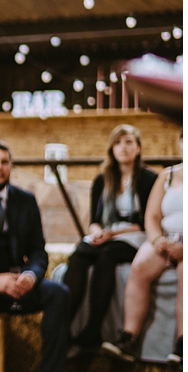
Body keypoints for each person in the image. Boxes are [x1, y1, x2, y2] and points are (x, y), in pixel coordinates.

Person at [0, 139, 86, 372]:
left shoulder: (25, 200)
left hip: (19, 284)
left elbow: (39, 252)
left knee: (58, 293)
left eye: (5, 162)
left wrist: (31, 275)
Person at [63, 124, 157, 352]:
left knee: (107, 257)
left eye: (128, 142)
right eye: (117, 143)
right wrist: (96, 232)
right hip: (106, 233)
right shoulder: (102, 179)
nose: (123, 148)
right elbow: (95, 219)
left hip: (134, 235)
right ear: (111, 149)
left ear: (138, 148)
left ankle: (93, 329)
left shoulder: (149, 179)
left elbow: (147, 219)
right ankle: (62, 327)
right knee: (79, 256)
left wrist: (112, 234)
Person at [103, 149, 183, 364]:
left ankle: (182, 344)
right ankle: (129, 337)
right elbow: (152, 215)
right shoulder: (167, 175)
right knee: (139, 267)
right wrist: (157, 240)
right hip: (164, 237)